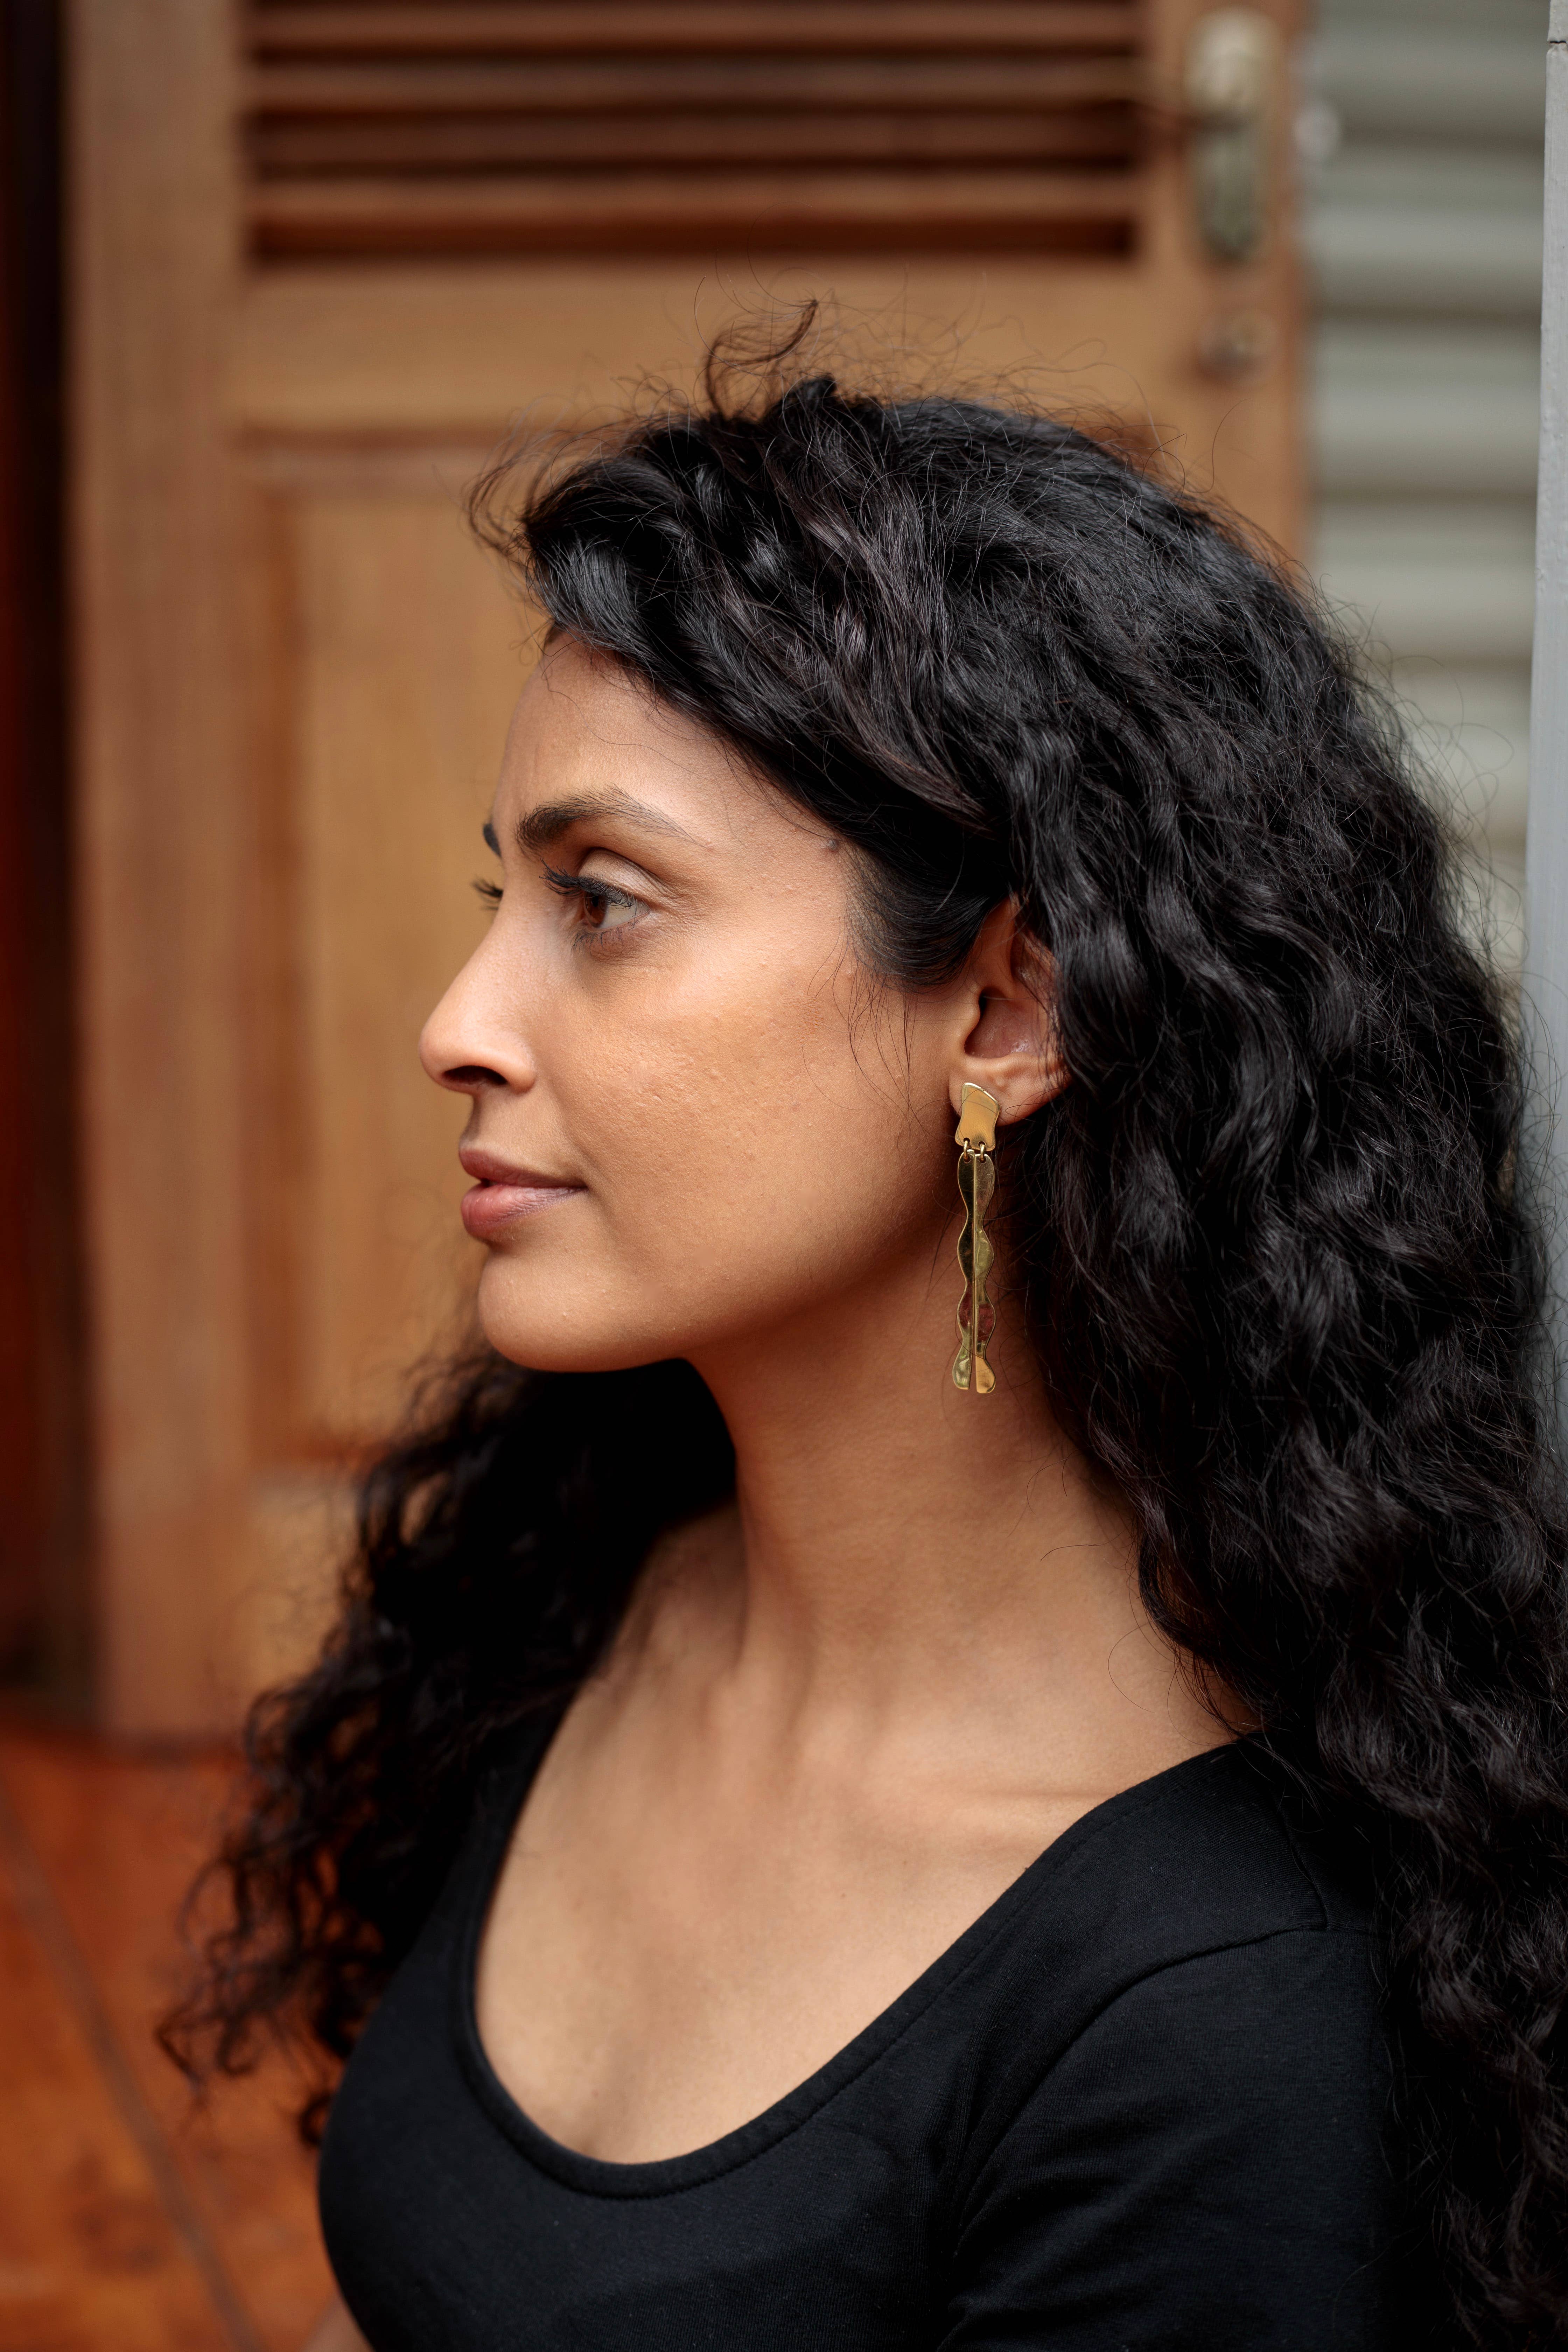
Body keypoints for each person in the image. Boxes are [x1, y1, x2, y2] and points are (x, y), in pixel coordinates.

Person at [167, 336, 1568, 2351]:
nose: (457, 1023)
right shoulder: (585, 1584)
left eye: (605, 903)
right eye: (505, 896)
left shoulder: (1201, 2015)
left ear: (1006, 1011)